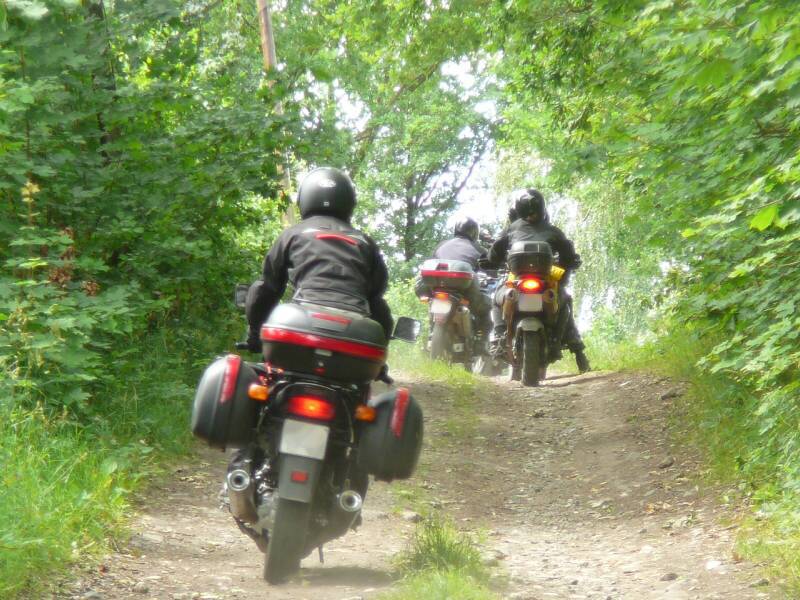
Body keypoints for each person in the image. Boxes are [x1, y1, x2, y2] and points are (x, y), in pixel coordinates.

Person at [245, 167, 393, 352]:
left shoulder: (293, 234)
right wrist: (382, 347)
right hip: (354, 336)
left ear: (305, 198)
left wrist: (255, 333)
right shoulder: (365, 243)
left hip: (300, 327)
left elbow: (267, 289)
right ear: (348, 200)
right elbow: (376, 298)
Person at [488, 189, 590, 373]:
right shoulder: (553, 231)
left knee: (496, 299)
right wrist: (569, 263)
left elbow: (495, 253)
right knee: (565, 302)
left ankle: (499, 335)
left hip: (517, 279)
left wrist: (491, 260)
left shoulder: (512, 228)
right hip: (546, 280)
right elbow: (568, 255)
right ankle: (577, 351)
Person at [416, 217, 492, 336]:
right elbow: (488, 269)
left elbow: (433, 260)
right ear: (474, 232)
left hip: (437, 285)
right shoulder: (478, 248)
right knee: (486, 307)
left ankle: (431, 331)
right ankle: (482, 340)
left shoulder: (442, 244)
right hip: (463, 287)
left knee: (429, 299)